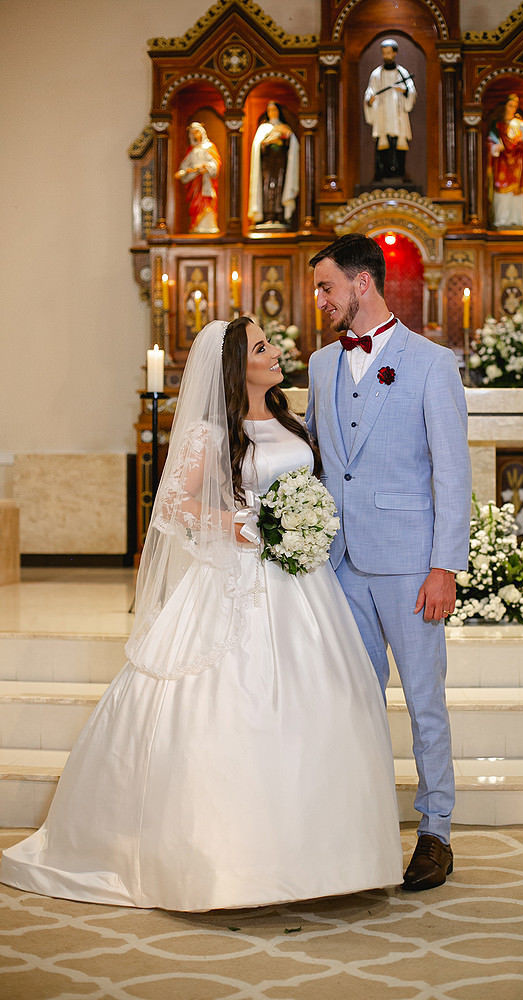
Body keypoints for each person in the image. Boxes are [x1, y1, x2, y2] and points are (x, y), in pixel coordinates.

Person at [0, 317, 403, 910]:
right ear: (238, 366)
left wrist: (303, 524)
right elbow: (173, 504)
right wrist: (242, 524)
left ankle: (330, 859)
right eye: (262, 346)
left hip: (305, 583)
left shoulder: (293, 419)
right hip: (238, 577)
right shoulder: (212, 433)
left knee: (328, 700)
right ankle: (231, 863)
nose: (276, 351)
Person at [307, 234, 472, 891]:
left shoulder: (430, 363)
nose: (319, 300)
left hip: (410, 566)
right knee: (355, 702)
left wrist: (444, 567)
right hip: (340, 565)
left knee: (424, 703)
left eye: (326, 287)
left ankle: (436, 833)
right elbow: (317, 458)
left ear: (362, 284)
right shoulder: (320, 364)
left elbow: (451, 473)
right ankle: (366, 827)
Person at [364, 39, 416, 181]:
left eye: (388, 53)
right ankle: (382, 173)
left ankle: (399, 172)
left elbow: (411, 90)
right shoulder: (376, 74)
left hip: (398, 114)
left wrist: (404, 91)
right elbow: (370, 91)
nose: (386, 56)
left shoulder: (402, 73)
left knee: (398, 144)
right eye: (384, 53)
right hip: (382, 114)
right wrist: (370, 100)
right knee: (382, 144)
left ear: (394, 53)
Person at [487, 92, 523, 228]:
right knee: (502, 192)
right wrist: (497, 147)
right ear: (504, 106)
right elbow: (491, 143)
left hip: (518, 162)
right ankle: (501, 220)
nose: (512, 109)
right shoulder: (498, 125)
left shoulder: (520, 124)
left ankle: (517, 220)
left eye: (515, 106)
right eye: (510, 105)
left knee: (517, 194)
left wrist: (521, 141)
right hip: (502, 163)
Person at [248, 102, 299, 227]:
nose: (272, 113)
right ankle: (268, 215)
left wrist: (284, 138)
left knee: (280, 186)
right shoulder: (263, 128)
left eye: (275, 110)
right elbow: (258, 146)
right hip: (267, 164)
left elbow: (292, 144)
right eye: (270, 110)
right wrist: (268, 142)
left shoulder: (284, 127)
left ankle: (280, 215)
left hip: (281, 163)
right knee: (267, 188)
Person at [174, 122, 221, 234]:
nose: (194, 135)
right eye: (192, 133)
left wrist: (207, 167)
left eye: (196, 132)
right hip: (195, 183)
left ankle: (208, 227)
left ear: (201, 132)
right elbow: (184, 166)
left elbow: (215, 164)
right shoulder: (192, 150)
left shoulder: (209, 147)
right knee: (195, 204)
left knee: (207, 203)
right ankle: (196, 226)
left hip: (206, 182)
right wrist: (185, 172)